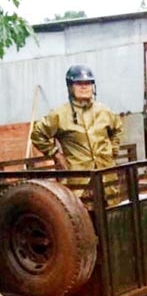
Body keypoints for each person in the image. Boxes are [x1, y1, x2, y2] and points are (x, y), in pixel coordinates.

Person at [31, 64, 123, 204]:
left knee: (111, 213)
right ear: (70, 86)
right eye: (79, 83)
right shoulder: (60, 114)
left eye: (88, 83)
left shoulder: (104, 111)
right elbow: (38, 134)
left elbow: (117, 128)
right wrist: (55, 153)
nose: (84, 87)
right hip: (79, 180)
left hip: (106, 177)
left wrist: (112, 150)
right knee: (81, 219)